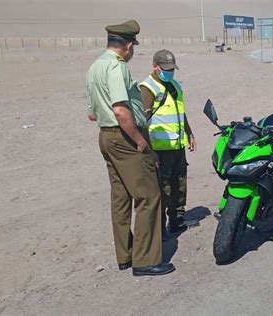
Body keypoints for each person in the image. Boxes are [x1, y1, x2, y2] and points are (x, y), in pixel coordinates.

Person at [85, 20, 175, 276]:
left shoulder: (95, 67)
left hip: (106, 136)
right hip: (125, 136)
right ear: (127, 45)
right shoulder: (116, 67)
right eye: (132, 45)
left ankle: (125, 254)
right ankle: (145, 260)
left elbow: (92, 114)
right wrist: (139, 140)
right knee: (149, 196)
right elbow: (120, 110)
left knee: (121, 198)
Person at [140, 49, 197, 235]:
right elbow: (142, 122)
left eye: (172, 68)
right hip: (160, 149)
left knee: (179, 183)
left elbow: (180, 112)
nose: (169, 72)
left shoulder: (175, 85)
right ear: (155, 67)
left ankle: (176, 220)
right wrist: (149, 150)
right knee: (163, 189)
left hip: (177, 146)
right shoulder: (148, 88)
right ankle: (161, 229)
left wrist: (189, 133)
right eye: (166, 68)